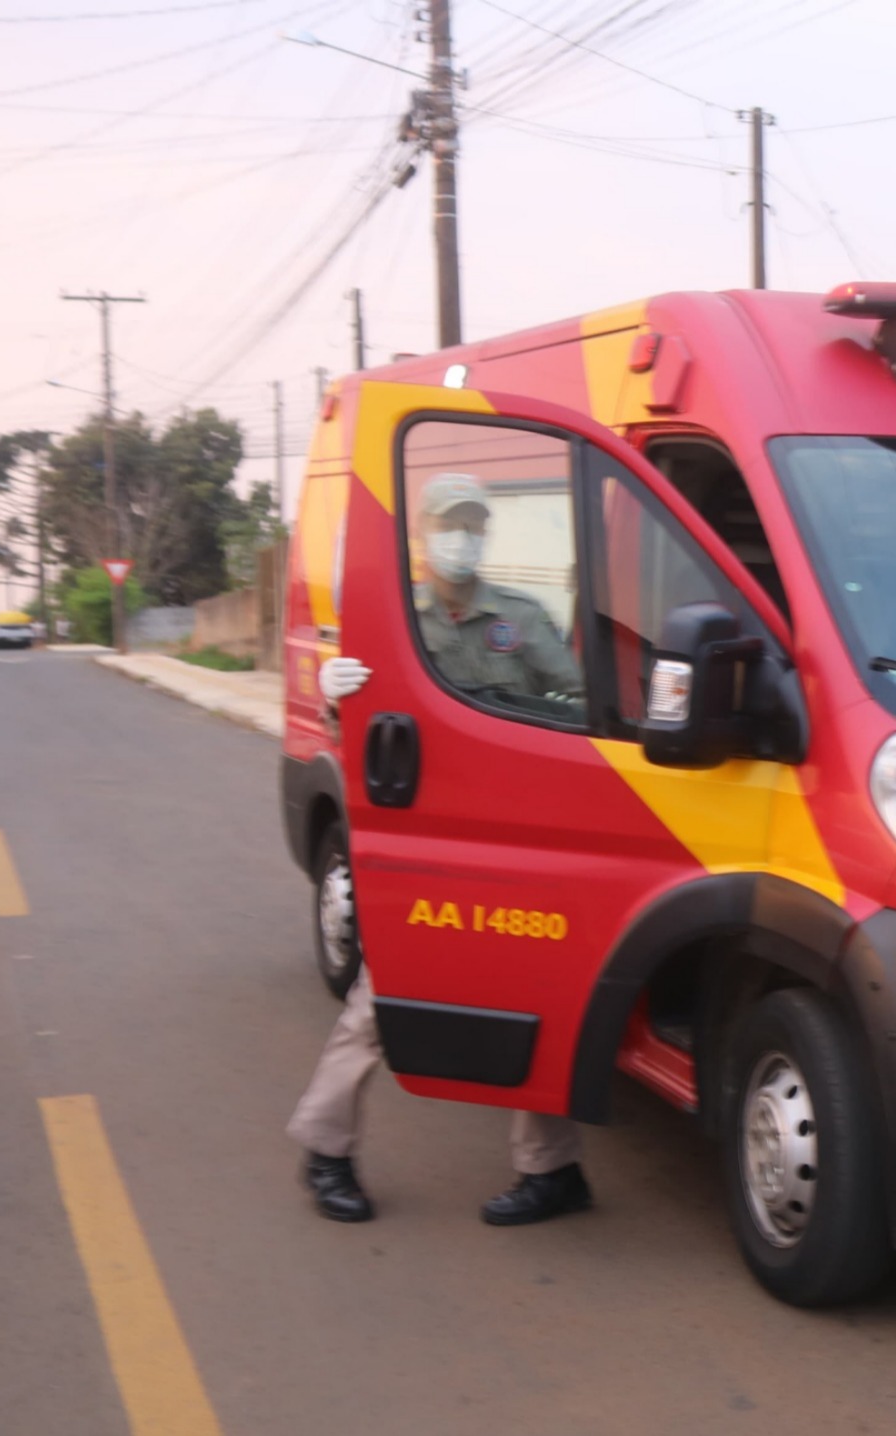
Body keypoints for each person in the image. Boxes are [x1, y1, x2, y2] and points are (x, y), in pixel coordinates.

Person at [286, 473, 592, 1227]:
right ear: (422, 537)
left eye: (475, 524)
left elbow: (579, 701)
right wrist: (332, 694)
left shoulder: (518, 619)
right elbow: (356, 727)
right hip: (426, 839)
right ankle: (326, 1152)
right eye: (451, 524)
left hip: (517, 840)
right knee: (385, 999)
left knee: (533, 998)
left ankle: (552, 1172)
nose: (466, 536)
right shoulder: (391, 622)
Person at [407, 474, 581, 707]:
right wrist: (339, 706)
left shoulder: (522, 615)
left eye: (473, 527)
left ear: (485, 534)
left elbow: (578, 697)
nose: (461, 538)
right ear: (421, 531)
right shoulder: (401, 614)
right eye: (446, 526)